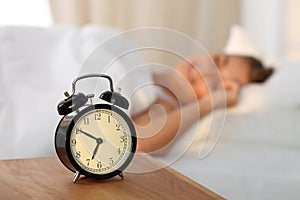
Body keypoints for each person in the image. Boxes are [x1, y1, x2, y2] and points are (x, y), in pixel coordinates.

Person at [133, 53, 274, 153]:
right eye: (218, 61)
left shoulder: (163, 105)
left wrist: (209, 104)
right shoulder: (136, 60)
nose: (204, 72)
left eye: (218, 84)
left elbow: (135, 139)